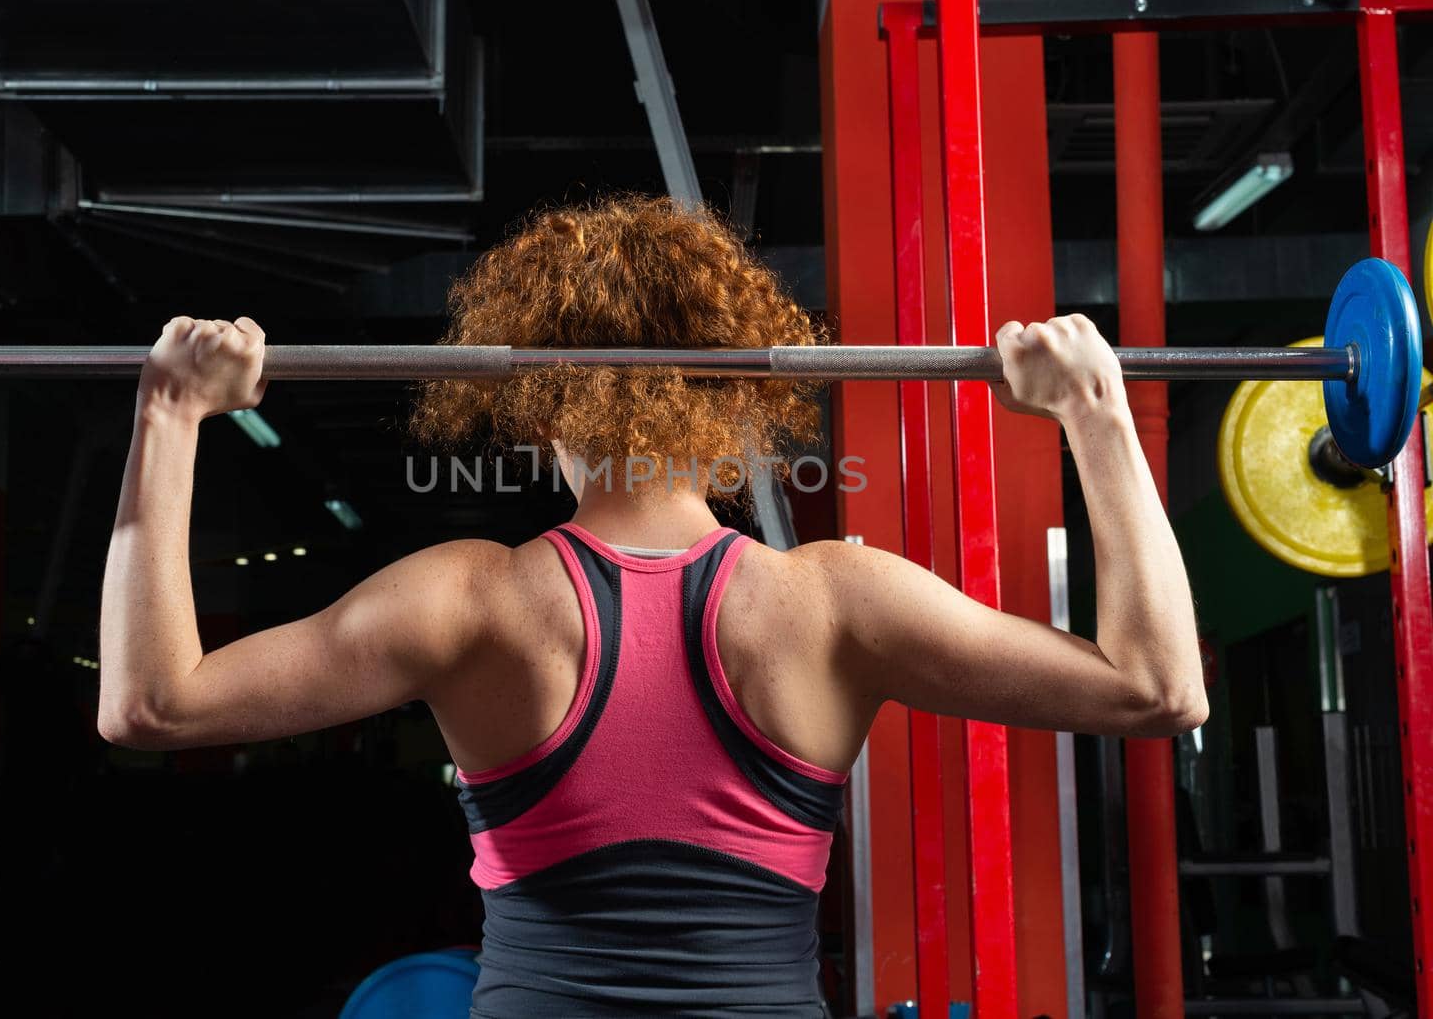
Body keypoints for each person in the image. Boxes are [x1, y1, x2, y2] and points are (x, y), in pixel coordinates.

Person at [98, 195, 1206, 1016]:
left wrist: (172, 414)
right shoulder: (834, 603)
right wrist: (1093, 416)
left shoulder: (467, 600)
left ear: (535, 402)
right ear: (736, 398)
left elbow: (150, 705)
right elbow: (1159, 687)